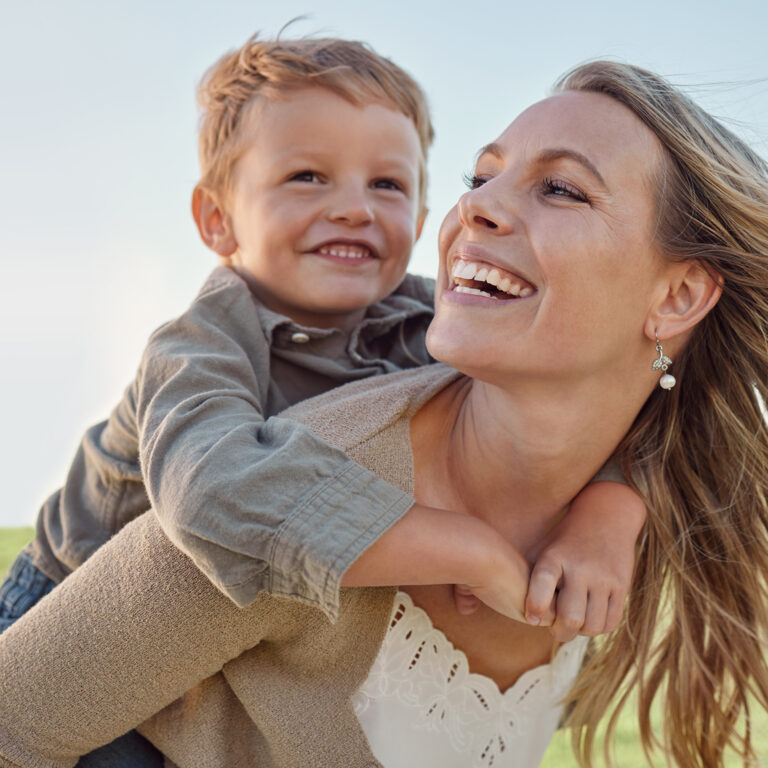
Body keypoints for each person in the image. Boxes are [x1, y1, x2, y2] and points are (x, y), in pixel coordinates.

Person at [0, 37, 645, 766]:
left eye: (388, 186)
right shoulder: (202, 342)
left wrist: (609, 512)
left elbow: (581, 404)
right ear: (217, 220)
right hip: (75, 616)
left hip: (232, 639)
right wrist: (465, 550)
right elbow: (214, 493)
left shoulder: (438, 321)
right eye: (308, 177)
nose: (353, 210)